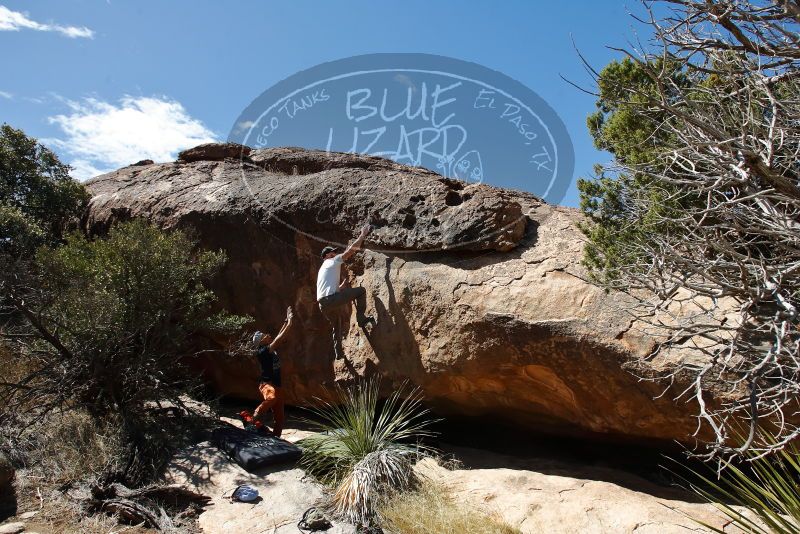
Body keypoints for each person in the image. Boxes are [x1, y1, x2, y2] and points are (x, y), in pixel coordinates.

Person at [317, 224, 376, 359]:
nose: (335, 253)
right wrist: (362, 235)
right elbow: (349, 252)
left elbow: (326, 290)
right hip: (331, 299)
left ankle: (338, 353)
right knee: (361, 291)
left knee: (336, 324)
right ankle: (361, 319)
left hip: (323, 305)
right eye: (333, 252)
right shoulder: (331, 261)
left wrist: (341, 287)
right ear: (327, 255)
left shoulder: (323, 269)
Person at [242, 306, 293, 437]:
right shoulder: (263, 351)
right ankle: (253, 419)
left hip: (277, 385)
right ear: (261, 342)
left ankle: (276, 439)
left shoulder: (268, 349)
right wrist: (290, 324)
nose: (267, 335)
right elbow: (279, 339)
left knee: (280, 418)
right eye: (264, 336)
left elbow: (277, 337)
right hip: (267, 384)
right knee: (272, 397)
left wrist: (286, 322)